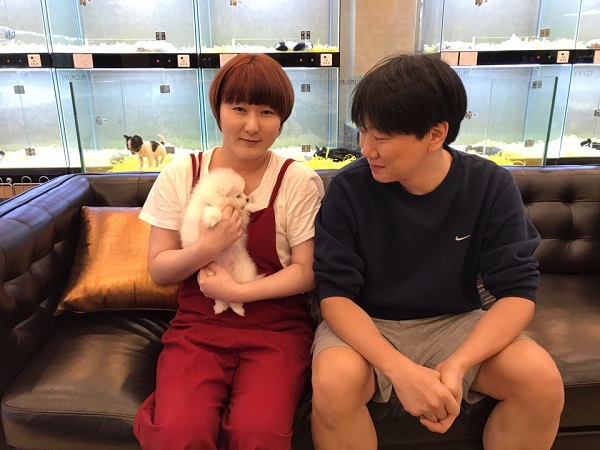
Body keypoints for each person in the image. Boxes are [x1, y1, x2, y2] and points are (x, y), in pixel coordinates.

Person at [310, 53, 564, 450]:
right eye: (362, 132)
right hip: (368, 323)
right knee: (333, 383)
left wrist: (459, 364)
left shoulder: (489, 185)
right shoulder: (348, 189)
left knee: (540, 379)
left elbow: (518, 293)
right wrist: (399, 370)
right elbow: (335, 297)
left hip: (455, 322)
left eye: (381, 137)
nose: (366, 150)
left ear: (435, 134)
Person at [133, 53, 324, 450]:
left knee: (259, 434)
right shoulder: (182, 174)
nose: (252, 125)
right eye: (239, 109)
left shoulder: (298, 181)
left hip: (276, 330)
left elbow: (305, 272)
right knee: (178, 433)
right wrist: (208, 247)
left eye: (267, 112)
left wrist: (237, 292)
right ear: (218, 111)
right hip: (198, 328)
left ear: (282, 119)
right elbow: (160, 269)